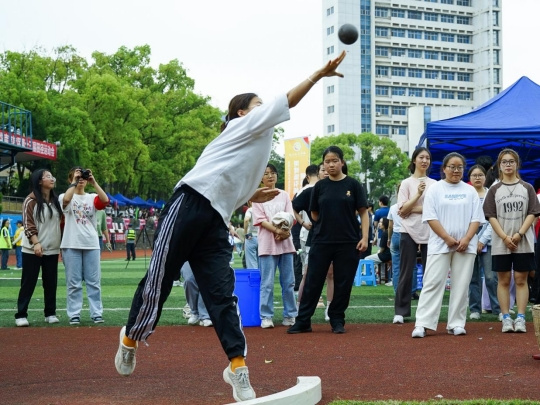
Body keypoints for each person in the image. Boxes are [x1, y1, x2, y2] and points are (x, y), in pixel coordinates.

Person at [114, 51, 347, 403]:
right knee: (160, 278)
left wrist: (266, 201)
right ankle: (130, 338)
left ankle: (237, 367)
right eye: (257, 104)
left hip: (216, 221)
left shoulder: (257, 150)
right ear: (241, 112)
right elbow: (288, 99)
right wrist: (318, 74)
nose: (264, 107)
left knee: (222, 296)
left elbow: (241, 192)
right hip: (189, 203)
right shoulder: (244, 125)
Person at [287, 145, 369, 335]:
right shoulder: (319, 187)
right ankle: (303, 321)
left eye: (334, 161)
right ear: (323, 164)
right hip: (321, 241)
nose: (331, 165)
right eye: (327, 162)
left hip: (348, 241)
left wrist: (364, 237)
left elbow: (364, 213)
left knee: (343, 282)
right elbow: (314, 213)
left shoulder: (354, 185)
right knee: (313, 281)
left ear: (342, 162)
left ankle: (337, 320)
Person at [411, 152, 484, 338]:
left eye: (460, 167)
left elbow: (477, 219)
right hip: (439, 243)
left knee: (461, 284)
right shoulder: (435, 189)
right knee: (432, 282)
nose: (456, 170)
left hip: (465, 246)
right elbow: (430, 217)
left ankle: (457, 323)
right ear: (444, 169)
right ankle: (422, 323)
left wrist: (466, 239)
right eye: (452, 167)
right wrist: (447, 238)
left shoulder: (470, 191)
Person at [483, 148, 540, 333]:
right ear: (499, 166)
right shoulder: (494, 189)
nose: (508, 165)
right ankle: (506, 317)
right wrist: (505, 237)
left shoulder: (527, 188)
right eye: (504, 162)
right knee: (504, 280)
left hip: (523, 241)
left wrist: (519, 234)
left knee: (521, 279)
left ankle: (521, 317)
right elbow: (490, 216)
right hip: (501, 242)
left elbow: (533, 212)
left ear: (517, 164)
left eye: (511, 161)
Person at [60, 167, 109, 325]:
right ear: (70, 180)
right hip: (71, 243)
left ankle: (96, 312)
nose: (81, 179)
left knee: (93, 281)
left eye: (83, 177)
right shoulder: (65, 195)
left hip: (91, 243)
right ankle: (74, 313)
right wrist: (74, 182)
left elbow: (105, 201)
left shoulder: (92, 197)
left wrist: (94, 182)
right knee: (73, 282)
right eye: (77, 177)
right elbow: (66, 201)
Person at [393, 147, 437, 324]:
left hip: (431, 230)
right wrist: (418, 194)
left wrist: (412, 208)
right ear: (414, 160)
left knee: (431, 273)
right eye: (421, 157)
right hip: (407, 231)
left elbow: (435, 210)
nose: (424, 161)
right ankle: (400, 312)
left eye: (427, 158)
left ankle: (427, 313)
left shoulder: (435, 184)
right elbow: (401, 209)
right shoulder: (406, 183)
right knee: (405, 272)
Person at [252, 163, 298, 328]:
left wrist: (285, 231)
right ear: (261, 178)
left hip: (286, 243)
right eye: (265, 173)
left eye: (272, 173)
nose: (270, 176)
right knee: (267, 283)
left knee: (289, 282)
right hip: (267, 245)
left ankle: (290, 315)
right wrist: (279, 230)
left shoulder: (284, 195)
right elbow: (260, 220)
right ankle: (266, 316)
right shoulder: (256, 196)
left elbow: (291, 216)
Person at [14, 169, 62, 327]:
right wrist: (36, 243)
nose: (51, 179)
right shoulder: (31, 200)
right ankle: (21, 314)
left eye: (51, 176)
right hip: (32, 249)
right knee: (28, 281)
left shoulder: (56, 201)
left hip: (52, 249)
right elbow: (28, 224)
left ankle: (50, 313)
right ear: (40, 181)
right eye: (48, 176)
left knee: (50, 282)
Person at [467, 164, 500, 320]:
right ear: (470, 178)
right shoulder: (466, 195)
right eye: (474, 175)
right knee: (472, 278)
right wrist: (472, 239)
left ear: (485, 177)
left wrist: (482, 240)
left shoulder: (491, 194)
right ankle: (475, 309)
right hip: (468, 239)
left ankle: (498, 308)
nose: (477, 178)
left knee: (491, 277)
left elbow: (492, 220)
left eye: (480, 175)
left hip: (488, 239)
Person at [181, 262, 213, 327]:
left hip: (206, 255)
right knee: (189, 280)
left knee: (205, 280)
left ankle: (205, 316)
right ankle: (194, 312)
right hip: (186, 256)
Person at [243, 201, 259, 269]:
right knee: (261, 261)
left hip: (251, 236)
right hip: (262, 236)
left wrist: (245, 233)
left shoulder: (250, 210)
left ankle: (254, 279)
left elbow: (246, 220)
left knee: (251, 261)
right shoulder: (262, 209)